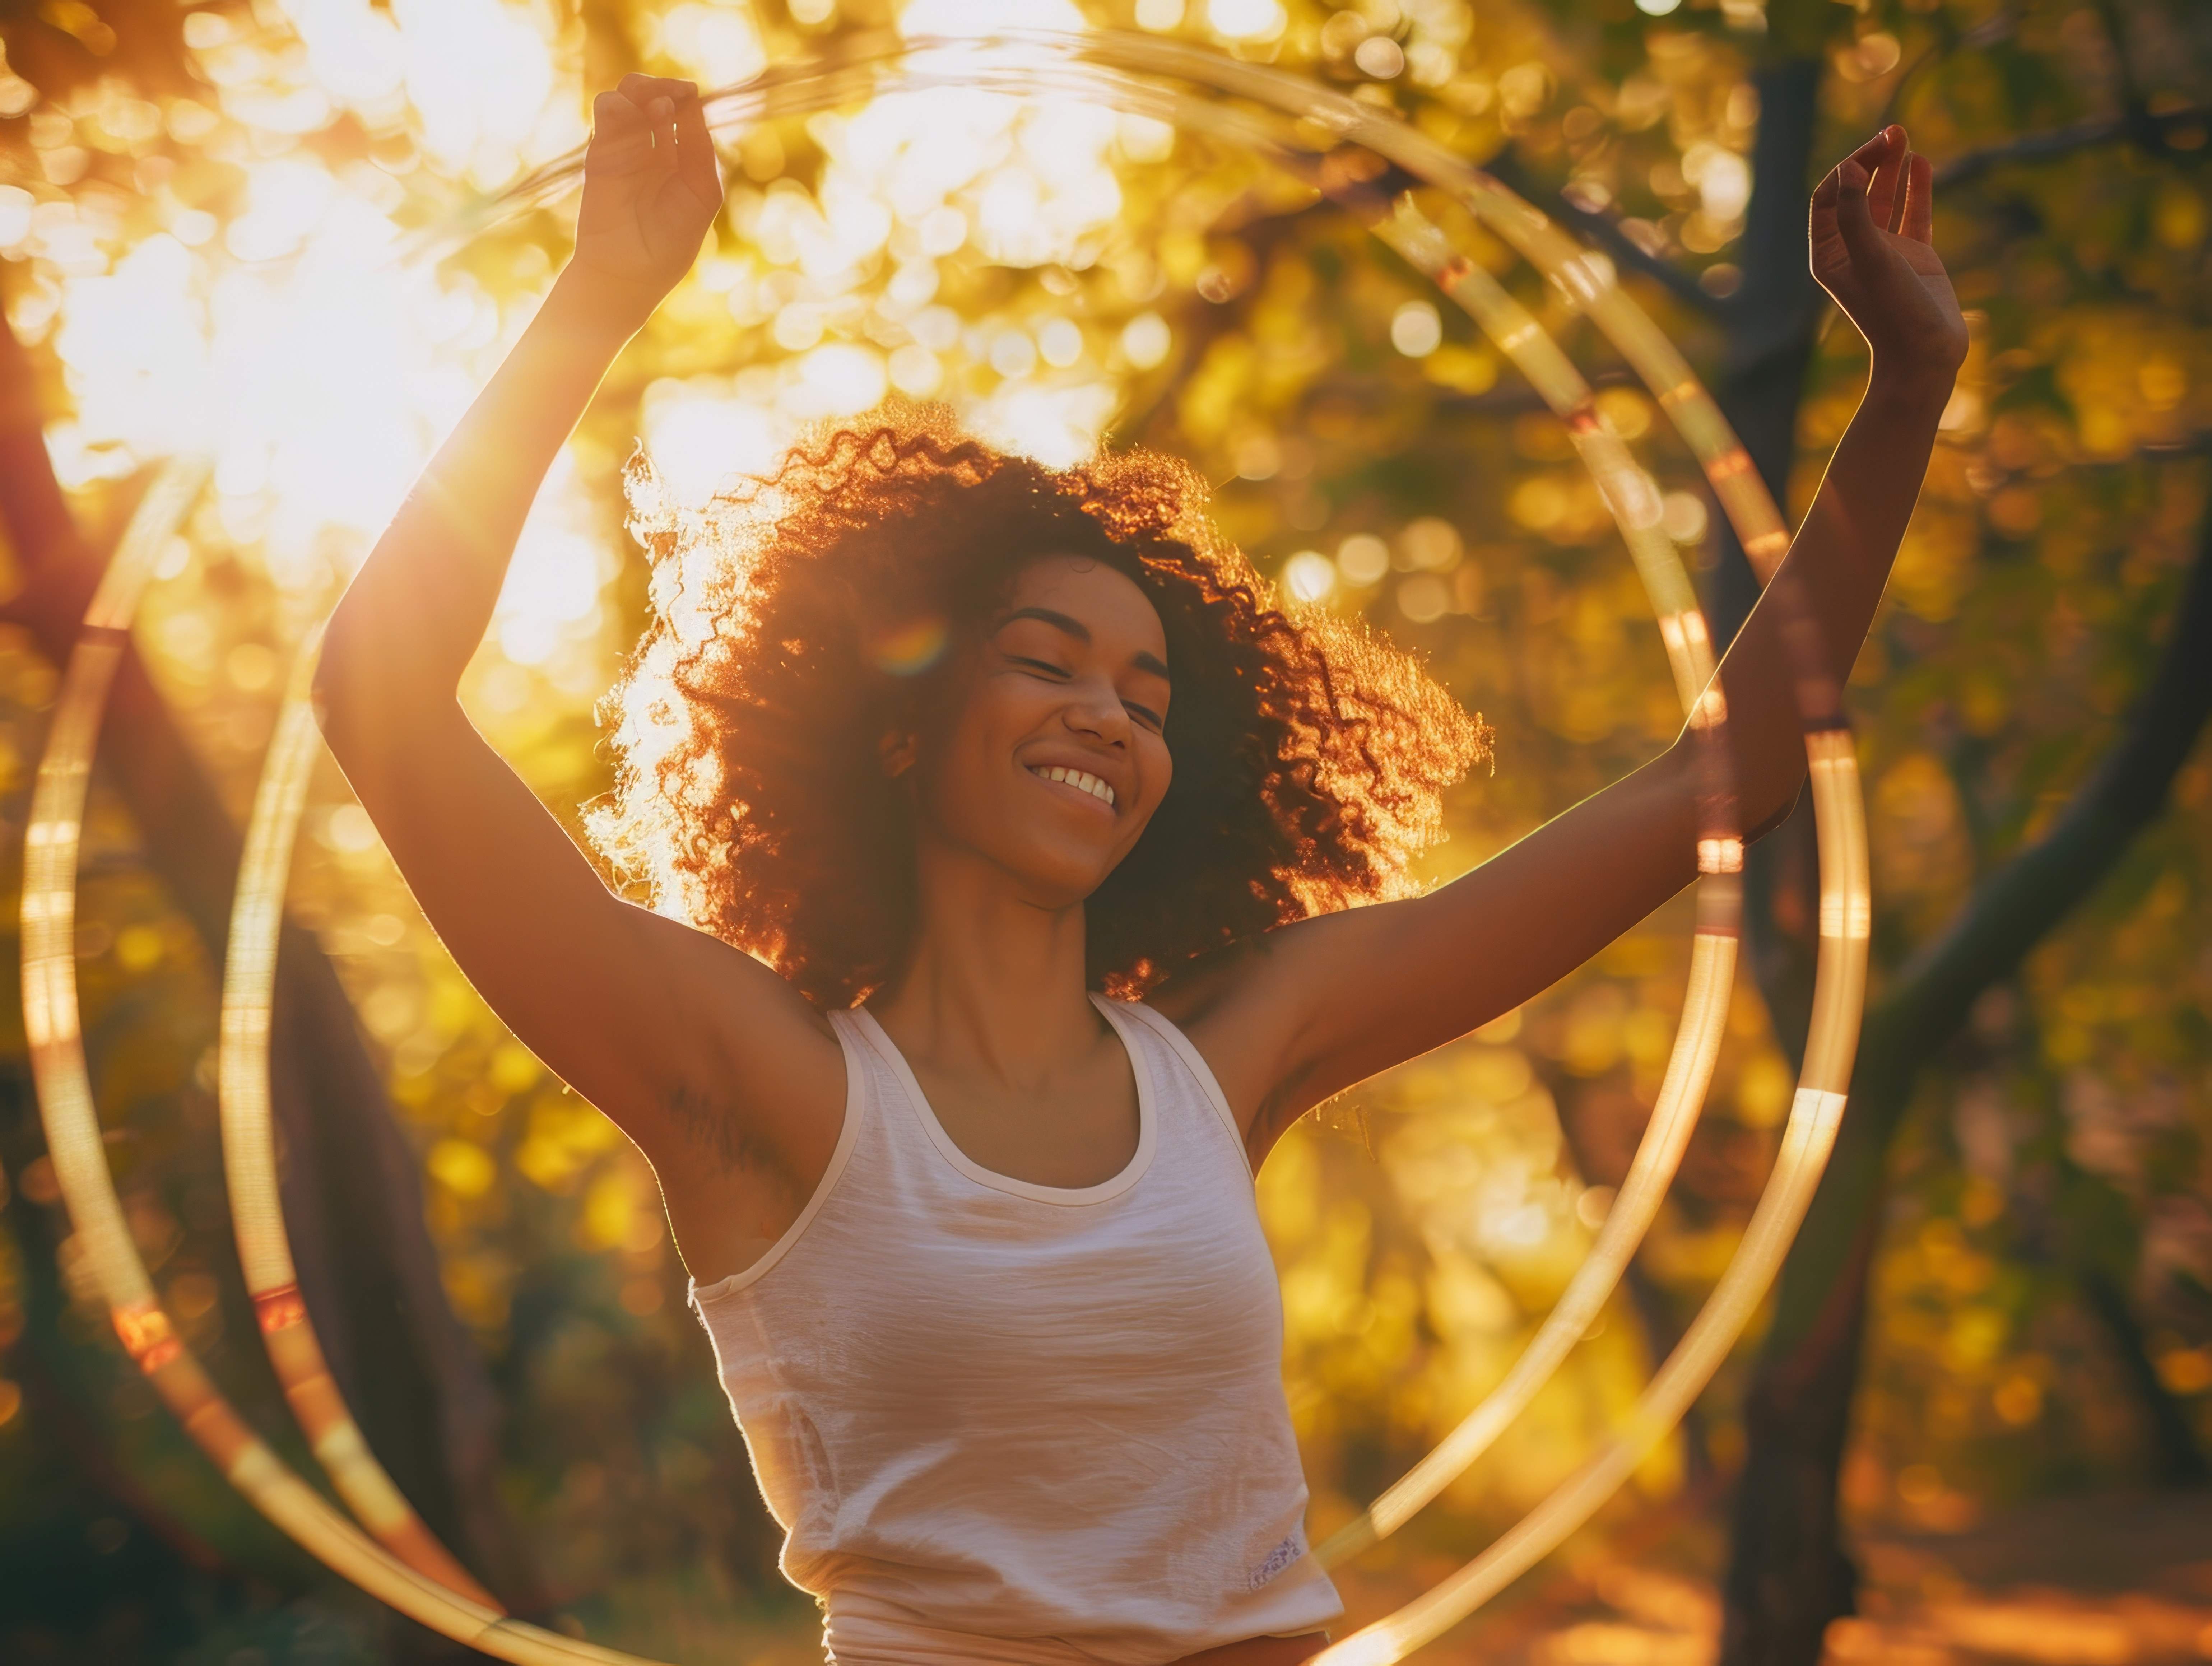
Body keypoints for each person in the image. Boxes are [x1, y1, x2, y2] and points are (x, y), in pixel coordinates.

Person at [315, 72, 1964, 1666]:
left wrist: (1902, 394)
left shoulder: (1230, 1050)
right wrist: (597, 296)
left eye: (1146, 693)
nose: (1103, 712)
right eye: (1047, 661)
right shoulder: (760, 1078)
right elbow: (375, 699)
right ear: (899, 728)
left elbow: (1717, 778)